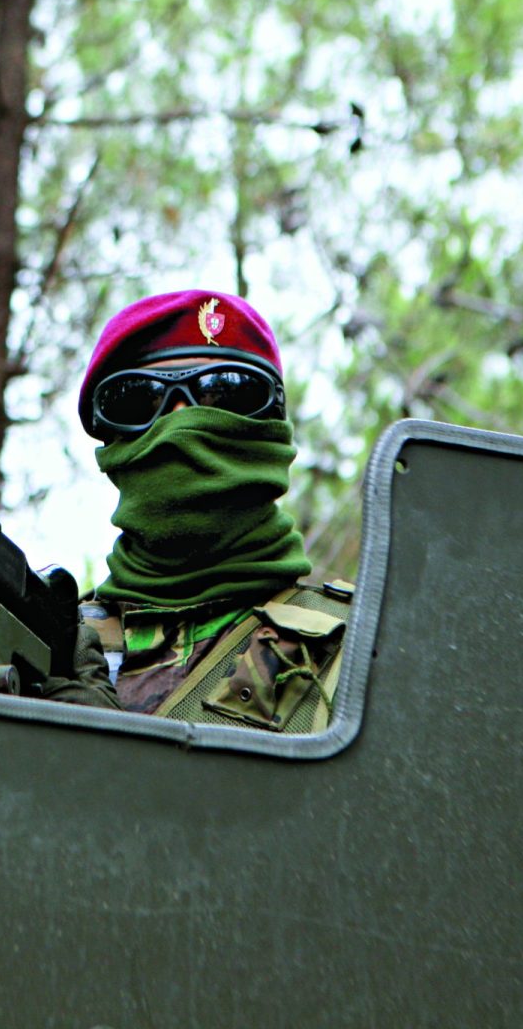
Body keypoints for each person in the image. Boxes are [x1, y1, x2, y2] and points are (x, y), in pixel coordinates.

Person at [76, 289, 351, 731]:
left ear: (273, 427)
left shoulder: (359, 650)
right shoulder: (51, 648)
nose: (181, 421)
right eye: (140, 400)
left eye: (224, 394)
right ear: (111, 441)